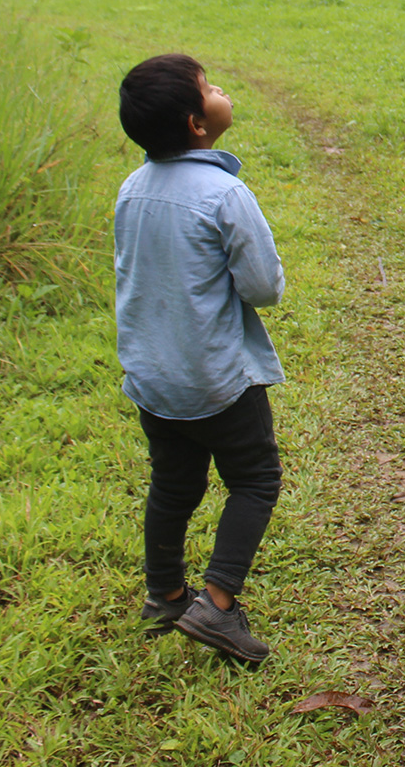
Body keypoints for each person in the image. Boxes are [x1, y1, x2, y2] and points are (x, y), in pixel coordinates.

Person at [114, 53, 286, 663]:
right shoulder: (225, 193)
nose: (222, 89)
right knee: (255, 479)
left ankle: (164, 594)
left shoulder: (132, 188)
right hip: (217, 379)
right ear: (197, 123)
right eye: (209, 87)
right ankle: (215, 606)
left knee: (173, 483)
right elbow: (263, 287)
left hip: (152, 378)